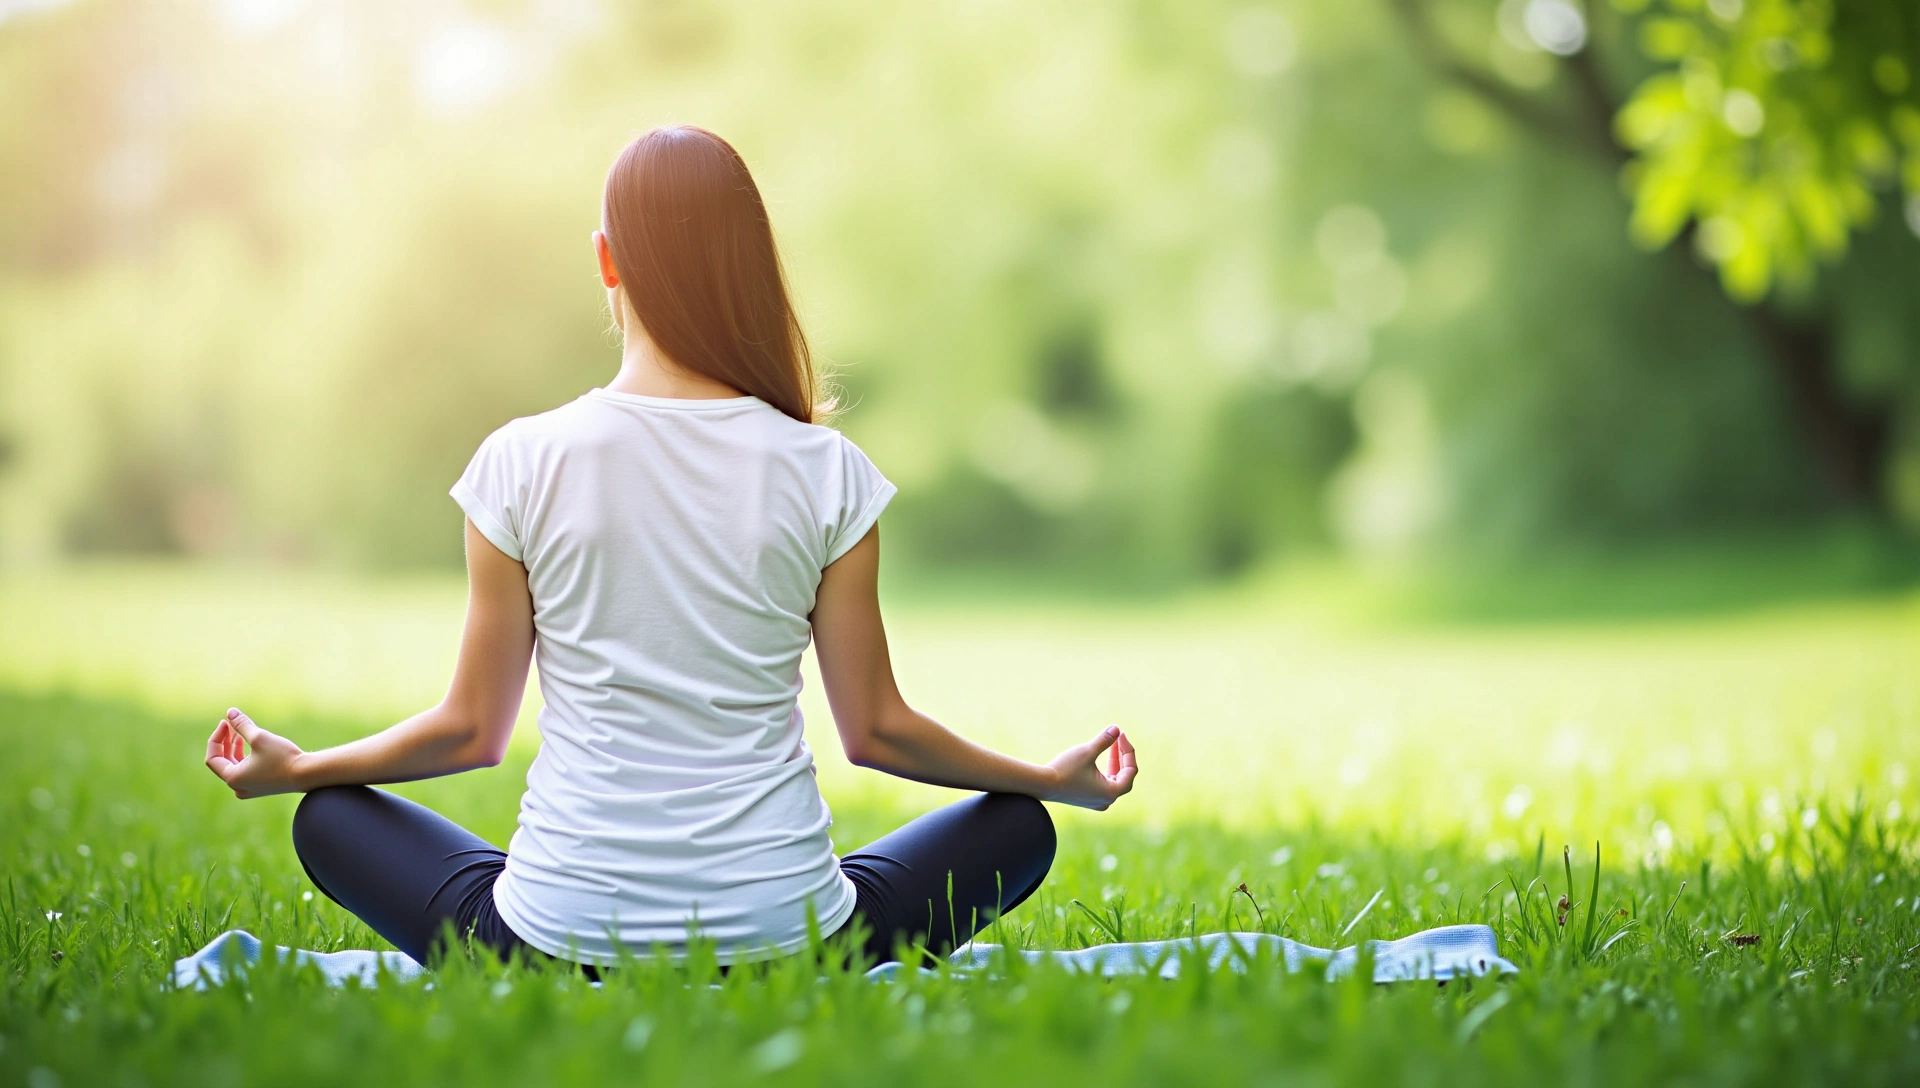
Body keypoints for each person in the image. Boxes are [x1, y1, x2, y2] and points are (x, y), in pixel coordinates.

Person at [201, 125, 1138, 971]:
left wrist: (299, 770)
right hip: (794, 944)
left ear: (607, 263)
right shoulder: (829, 471)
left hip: (550, 944)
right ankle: (780, 904)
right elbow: (877, 731)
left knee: (333, 817)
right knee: (1017, 829)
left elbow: (470, 731)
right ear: (750, 266)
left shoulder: (519, 461)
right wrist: (1046, 780)